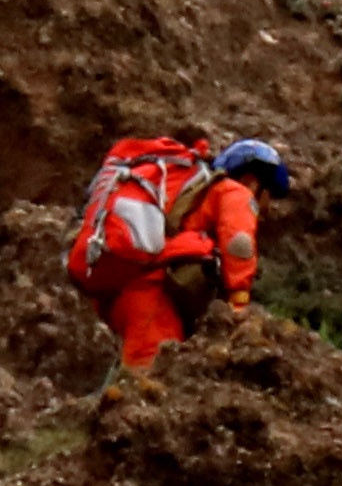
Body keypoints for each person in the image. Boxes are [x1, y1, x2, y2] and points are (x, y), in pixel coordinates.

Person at [68, 137, 292, 371]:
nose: (268, 209)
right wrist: (239, 303)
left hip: (125, 289)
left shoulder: (196, 199)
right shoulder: (234, 192)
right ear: (253, 182)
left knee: (140, 378)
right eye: (270, 197)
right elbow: (239, 243)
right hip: (152, 294)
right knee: (149, 378)